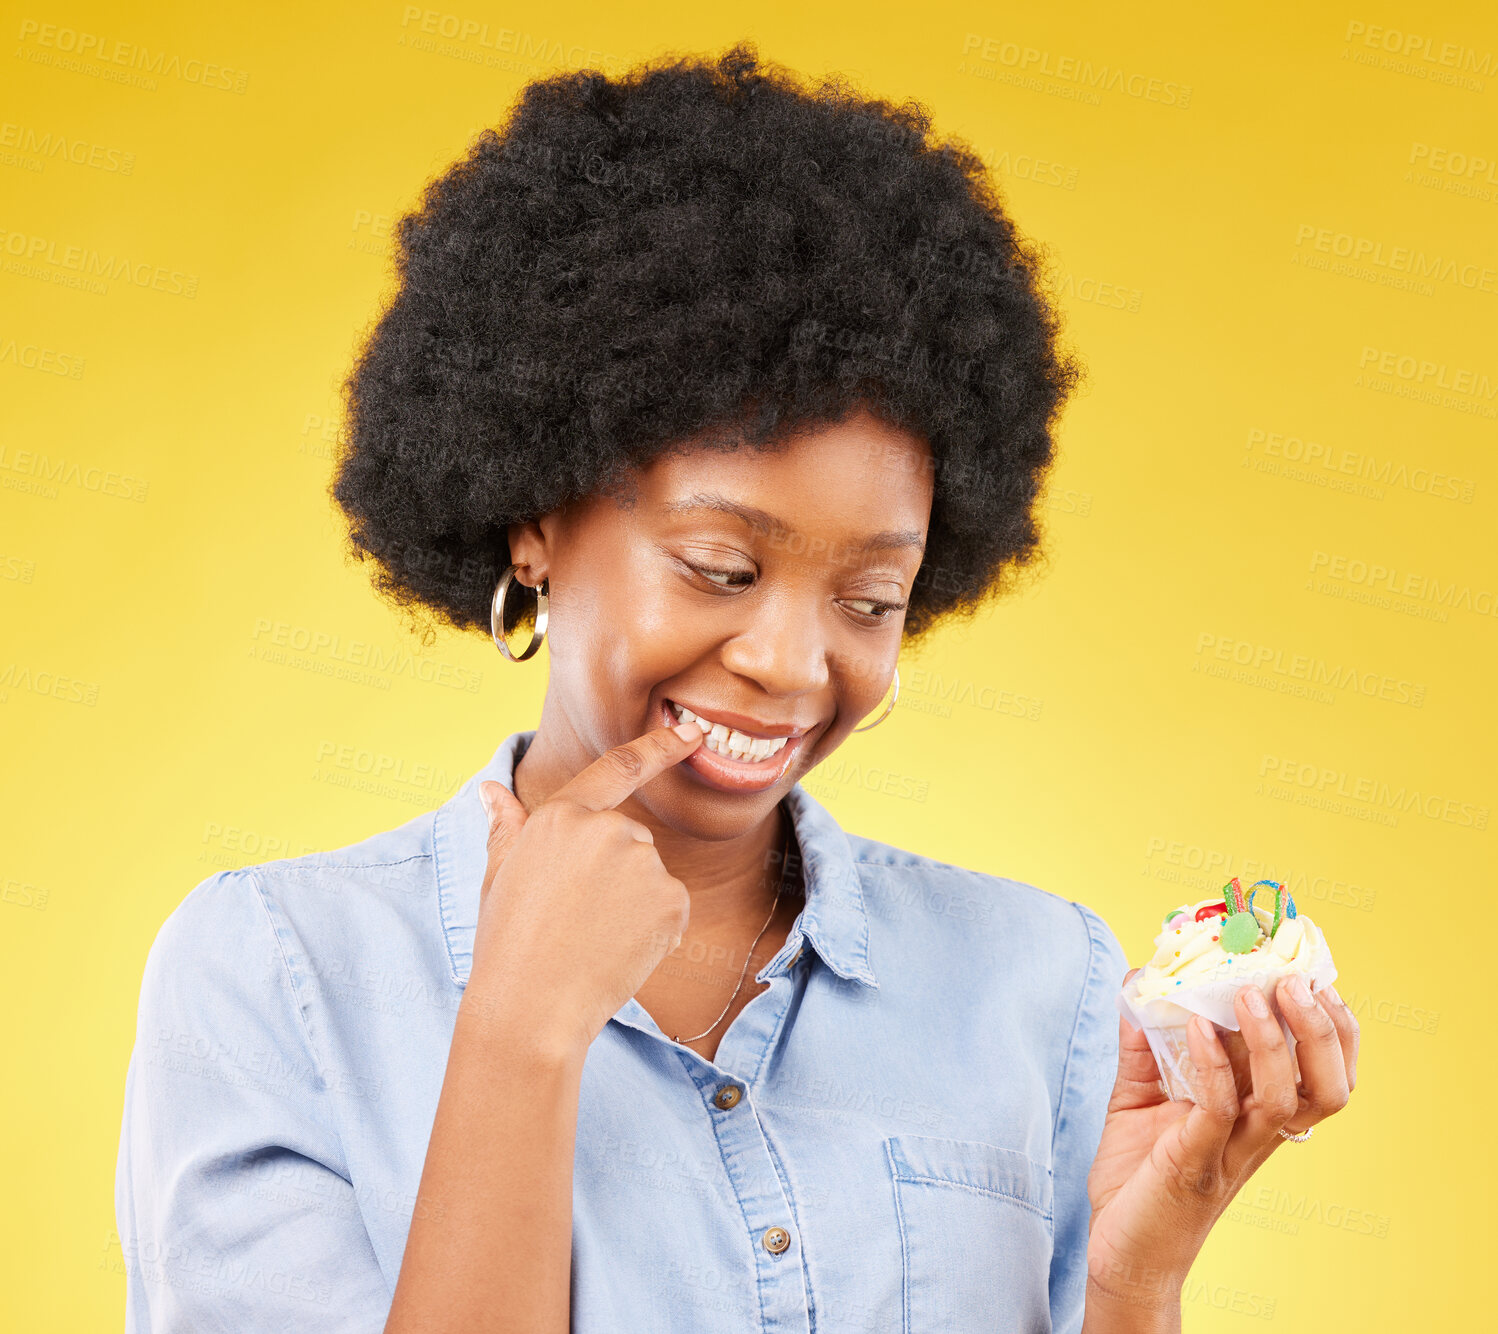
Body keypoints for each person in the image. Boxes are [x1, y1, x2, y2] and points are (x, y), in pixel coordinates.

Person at [114, 41, 1359, 1334]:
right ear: (535, 524)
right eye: (719, 567)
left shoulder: (1037, 979)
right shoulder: (276, 970)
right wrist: (519, 1037)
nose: (789, 661)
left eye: (868, 600)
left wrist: (1123, 1283)